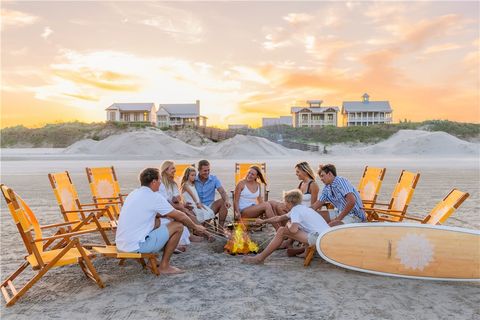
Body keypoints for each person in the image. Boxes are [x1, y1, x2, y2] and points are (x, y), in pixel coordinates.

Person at [115, 168, 208, 274]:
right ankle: (164, 266)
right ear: (153, 182)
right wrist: (196, 227)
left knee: (158, 222)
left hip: (122, 244)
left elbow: (152, 214)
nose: (161, 183)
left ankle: (153, 260)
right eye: (159, 180)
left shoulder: (133, 193)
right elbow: (180, 216)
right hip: (135, 246)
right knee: (178, 226)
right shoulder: (154, 196)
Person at [242, 189, 329, 265]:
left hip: (319, 239)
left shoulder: (296, 211)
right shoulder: (303, 208)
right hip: (326, 237)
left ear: (290, 202)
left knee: (282, 230)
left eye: (285, 201)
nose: (284, 204)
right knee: (303, 228)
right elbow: (279, 218)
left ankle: (260, 258)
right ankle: (306, 253)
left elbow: (293, 230)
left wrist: (288, 224)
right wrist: (264, 221)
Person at [159, 161, 203, 248]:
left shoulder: (173, 183)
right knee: (184, 211)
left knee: (185, 209)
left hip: (174, 207)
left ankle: (195, 232)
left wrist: (178, 202)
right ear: (165, 170)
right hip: (164, 211)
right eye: (172, 168)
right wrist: (176, 203)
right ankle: (200, 231)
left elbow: (178, 197)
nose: (174, 170)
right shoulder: (160, 184)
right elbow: (163, 201)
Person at [194, 160, 231, 231]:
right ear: (199, 170)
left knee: (223, 201)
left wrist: (227, 200)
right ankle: (204, 226)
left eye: (208, 170)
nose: (207, 172)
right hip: (198, 207)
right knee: (202, 229)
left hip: (211, 207)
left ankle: (220, 229)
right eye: (205, 170)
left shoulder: (214, 179)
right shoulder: (194, 180)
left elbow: (222, 192)